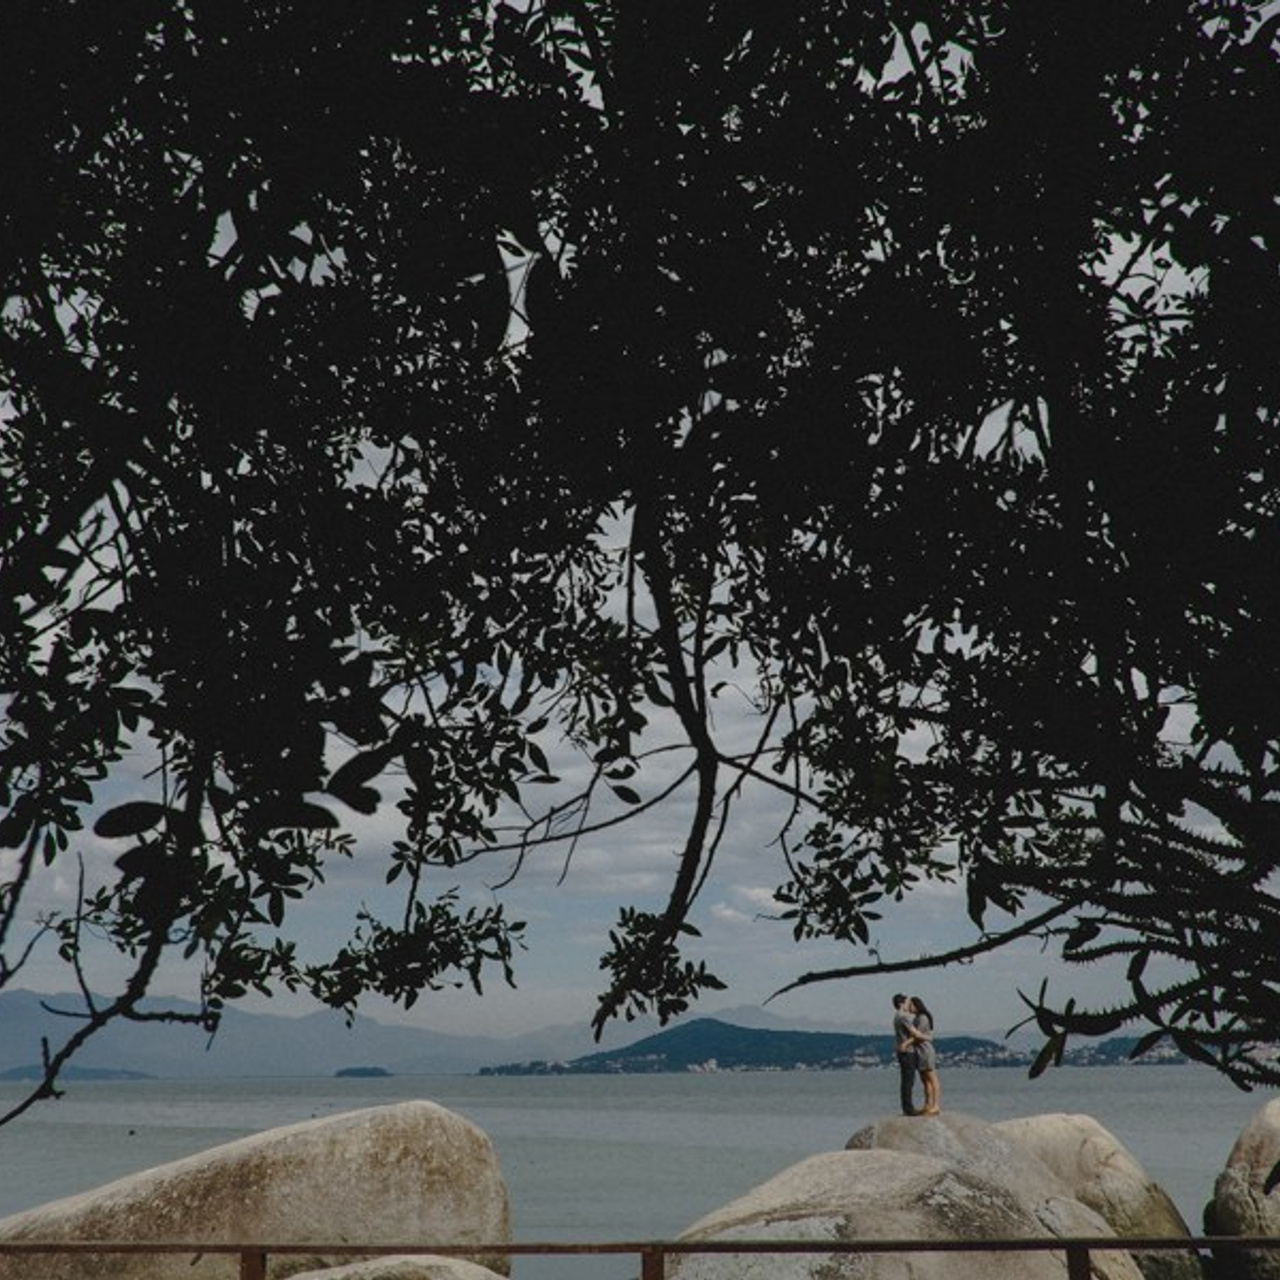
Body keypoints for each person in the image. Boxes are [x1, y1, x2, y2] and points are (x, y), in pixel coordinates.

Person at [908, 996, 941, 1115]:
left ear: (917, 1005)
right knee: (924, 1080)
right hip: (919, 1051)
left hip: (926, 1051)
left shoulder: (923, 1017)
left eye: (911, 1005)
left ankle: (936, 1105)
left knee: (931, 1078)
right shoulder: (916, 1018)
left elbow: (918, 1035)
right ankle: (928, 1104)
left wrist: (906, 1043)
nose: (909, 1007)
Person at [891, 993, 920, 1116]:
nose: (909, 1005)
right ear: (901, 1004)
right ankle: (909, 1108)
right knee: (909, 1080)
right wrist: (926, 1035)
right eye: (907, 1002)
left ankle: (906, 1107)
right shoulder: (903, 1017)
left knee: (905, 1080)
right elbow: (914, 1033)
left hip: (901, 1051)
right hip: (907, 1051)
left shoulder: (896, 1016)